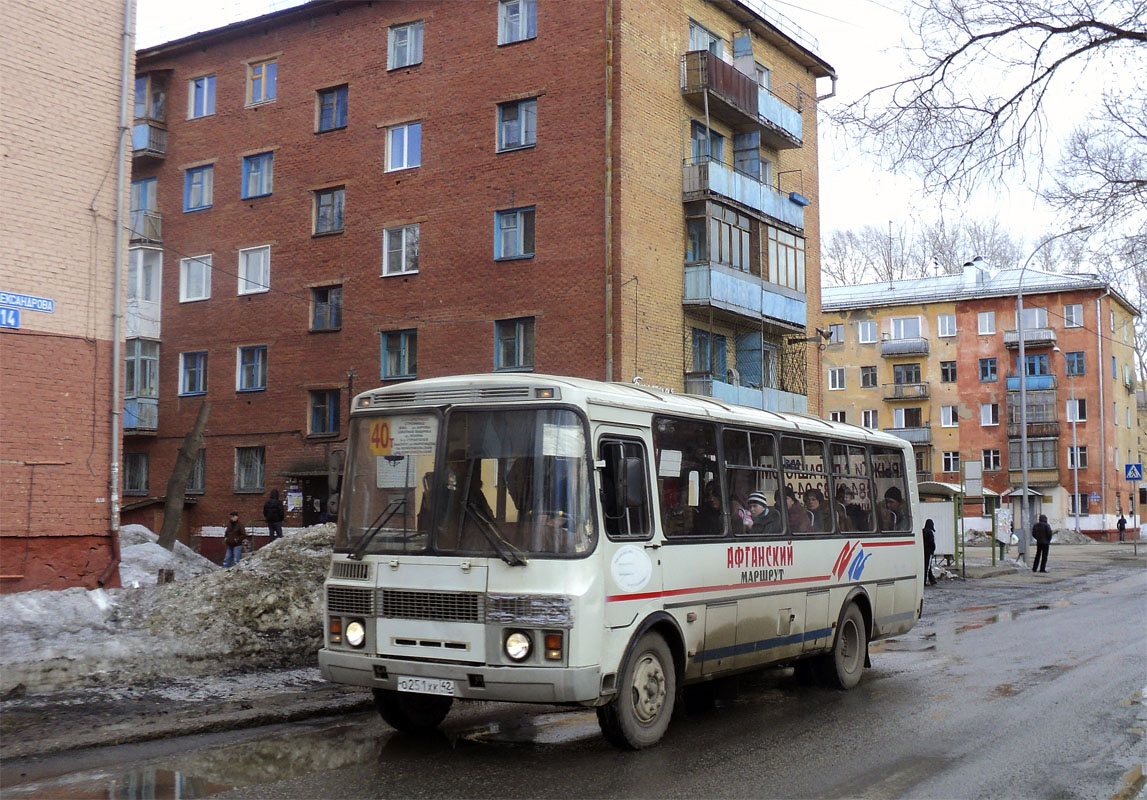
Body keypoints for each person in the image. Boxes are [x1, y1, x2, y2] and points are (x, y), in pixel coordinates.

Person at [922, 518, 937, 585]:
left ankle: (932, 580)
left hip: (922, 551)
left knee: (925, 566)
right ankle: (925, 581)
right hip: (928, 552)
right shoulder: (930, 532)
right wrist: (932, 550)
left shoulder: (922, 531)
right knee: (927, 567)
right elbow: (932, 543)